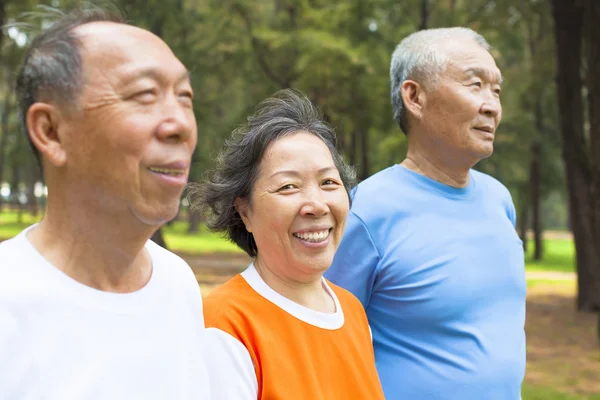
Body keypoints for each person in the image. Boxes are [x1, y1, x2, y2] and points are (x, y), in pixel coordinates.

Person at [0, 5, 211, 399]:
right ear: (51, 132)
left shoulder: (176, 283)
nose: (180, 124)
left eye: (185, 97)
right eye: (145, 94)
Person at [324, 27, 526, 399]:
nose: (492, 105)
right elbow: (323, 339)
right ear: (415, 97)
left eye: (496, 91)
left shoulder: (500, 200)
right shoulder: (365, 211)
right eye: (474, 84)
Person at [190, 89, 385, 400]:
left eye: (328, 183)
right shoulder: (226, 321)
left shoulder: (352, 311)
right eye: (288, 186)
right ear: (245, 212)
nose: (317, 205)